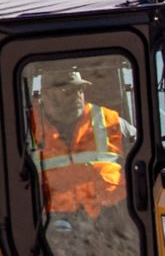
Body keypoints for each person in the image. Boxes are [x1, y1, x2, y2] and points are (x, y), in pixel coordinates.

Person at [30, 67, 129, 215]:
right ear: (47, 95)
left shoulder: (111, 122)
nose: (77, 95)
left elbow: (146, 155)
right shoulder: (27, 131)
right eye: (68, 91)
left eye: (80, 89)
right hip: (51, 228)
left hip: (114, 225)